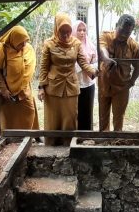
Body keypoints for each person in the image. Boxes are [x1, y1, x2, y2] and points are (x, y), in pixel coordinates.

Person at [38, 13, 97, 146]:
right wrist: (41, 87)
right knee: (53, 119)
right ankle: (51, 145)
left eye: (68, 32)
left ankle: (67, 145)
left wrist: (94, 71)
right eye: (62, 32)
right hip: (53, 87)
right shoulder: (48, 44)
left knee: (69, 118)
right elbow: (43, 67)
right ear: (56, 29)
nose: (65, 35)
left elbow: (84, 63)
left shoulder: (76, 43)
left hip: (71, 86)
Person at [0, 25, 39, 140]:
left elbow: (29, 72)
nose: (23, 45)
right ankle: (8, 141)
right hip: (6, 94)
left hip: (23, 91)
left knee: (28, 112)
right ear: (13, 40)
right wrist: (4, 90)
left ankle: (26, 139)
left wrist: (18, 89)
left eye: (25, 42)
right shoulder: (1, 50)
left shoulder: (28, 49)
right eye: (20, 43)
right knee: (7, 118)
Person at [98, 14, 139, 132]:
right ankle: (103, 141)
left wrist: (131, 82)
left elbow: (138, 66)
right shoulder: (105, 36)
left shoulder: (134, 46)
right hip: (104, 84)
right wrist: (106, 59)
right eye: (121, 30)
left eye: (127, 33)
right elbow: (102, 49)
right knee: (103, 116)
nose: (123, 35)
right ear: (117, 25)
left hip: (122, 88)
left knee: (118, 118)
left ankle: (116, 142)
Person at [73, 20, 97, 130]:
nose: (82, 33)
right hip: (74, 84)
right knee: (75, 111)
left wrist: (90, 68)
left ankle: (87, 135)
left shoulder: (91, 45)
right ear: (74, 31)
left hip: (88, 83)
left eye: (84, 30)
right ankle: (75, 136)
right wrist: (83, 67)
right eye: (79, 30)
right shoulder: (70, 46)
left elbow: (96, 62)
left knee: (87, 111)